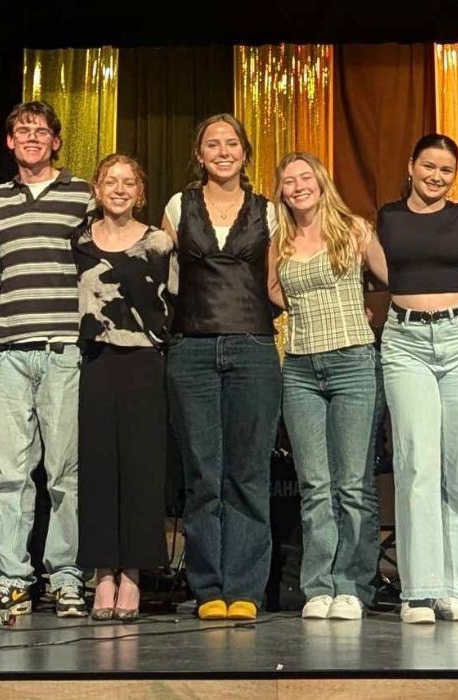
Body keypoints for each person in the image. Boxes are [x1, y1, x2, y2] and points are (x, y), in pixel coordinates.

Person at [161, 114, 281, 621]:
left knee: (248, 474)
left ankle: (246, 590)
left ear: (245, 153)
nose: (223, 151)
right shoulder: (177, 206)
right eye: (213, 143)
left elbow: (277, 286)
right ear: (200, 153)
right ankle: (208, 586)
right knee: (204, 474)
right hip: (191, 350)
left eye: (232, 143)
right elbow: (161, 277)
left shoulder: (268, 212)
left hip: (253, 349)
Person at [376, 133, 458, 624]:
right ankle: (420, 590)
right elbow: (367, 268)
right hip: (404, 342)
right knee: (417, 463)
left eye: (446, 170)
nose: (436, 176)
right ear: (411, 165)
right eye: (428, 166)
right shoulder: (386, 217)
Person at [0, 101, 91, 617]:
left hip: (63, 346)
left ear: (56, 142)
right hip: (7, 348)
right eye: (21, 131)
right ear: (9, 142)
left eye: (40, 131)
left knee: (64, 470)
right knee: (9, 472)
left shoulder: (82, 195)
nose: (31, 138)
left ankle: (66, 575)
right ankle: (11, 577)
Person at [267, 151, 388, 620]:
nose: (297, 186)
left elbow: (394, 277)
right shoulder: (279, 240)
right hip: (299, 368)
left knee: (353, 484)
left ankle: (354, 585)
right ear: (281, 191)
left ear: (321, 181)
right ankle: (319, 585)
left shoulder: (354, 229)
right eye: (288, 180)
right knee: (315, 483)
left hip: (353, 362)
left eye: (305, 177)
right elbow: (274, 294)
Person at [74, 154, 173, 621]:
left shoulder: (159, 242)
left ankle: (131, 575)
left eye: (128, 182)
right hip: (95, 362)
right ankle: (102, 575)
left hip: (143, 363)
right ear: (96, 188)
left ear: (140, 191)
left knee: (140, 470)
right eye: (110, 181)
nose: (118, 189)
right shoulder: (79, 241)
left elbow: (175, 305)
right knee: (97, 470)